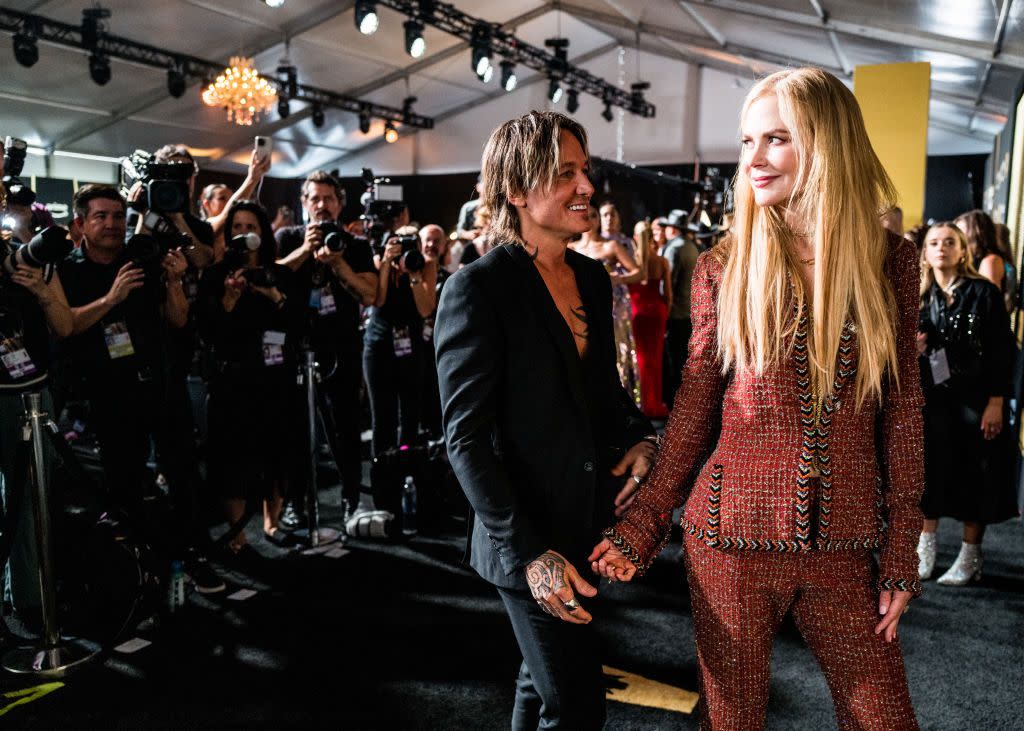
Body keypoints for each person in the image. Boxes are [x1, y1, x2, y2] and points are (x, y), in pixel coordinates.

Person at [589, 68, 923, 729]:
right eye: (747, 141)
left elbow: (905, 408)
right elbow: (694, 406)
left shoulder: (891, 259)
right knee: (733, 720)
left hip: (846, 545)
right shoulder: (724, 265)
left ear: (826, 143)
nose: (755, 159)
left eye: (777, 139)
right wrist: (645, 521)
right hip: (730, 539)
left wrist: (902, 550)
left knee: (885, 719)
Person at [435, 110, 656, 730]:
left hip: (586, 521)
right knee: (579, 706)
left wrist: (638, 441)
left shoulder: (588, 273)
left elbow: (603, 394)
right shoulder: (477, 289)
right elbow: (466, 440)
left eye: (585, 171)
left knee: (540, 685)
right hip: (525, 539)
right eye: (565, 174)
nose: (586, 187)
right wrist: (532, 555)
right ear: (516, 189)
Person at [915, 222, 1017, 585]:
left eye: (949, 242)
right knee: (931, 474)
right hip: (935, 402)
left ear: (963, 251)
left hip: (977, 400)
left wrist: (996, 402)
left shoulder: (983, 293)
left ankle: (970, 556)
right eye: (934, 243)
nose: (941, 248)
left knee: (978, 474)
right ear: (925, 252)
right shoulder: (920, 295)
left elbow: (1002, 353)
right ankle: (924, 551)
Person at [275, 171, 377, 523]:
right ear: (303, 203)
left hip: (342, 347)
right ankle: (295, 502)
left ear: (339, 203)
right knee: (295, 431)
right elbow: (271, 277)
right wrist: (306, 250)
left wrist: (339, 264)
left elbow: (370, 293)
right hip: (295, 347)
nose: (321, 205)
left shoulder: (356, 244)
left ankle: (351, 499)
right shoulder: (287, 237)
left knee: (345, 428)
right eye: (314, 199)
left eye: (328, 199)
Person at [200, 201, 300, 554]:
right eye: (237, 226)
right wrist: (228, 298)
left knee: (276, 455)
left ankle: (272, 522)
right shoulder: (216, 276)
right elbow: (209, 332)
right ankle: (237, 533)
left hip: (275, 381)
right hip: (233, 382)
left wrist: (273, 295)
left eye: (251, 225)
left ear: (263, 231)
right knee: (233, 462)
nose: (245, 232)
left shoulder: (280, 273)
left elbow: (298, 326)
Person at [0, 147, 74, 617]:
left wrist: (43, 290)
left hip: (33, 391)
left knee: (30, 501)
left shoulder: (38, 262)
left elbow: (65, 326)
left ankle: (29, 598)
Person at [364, 224, 437, 455]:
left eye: (410, 244)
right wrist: (386, 263)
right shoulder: (380, 263)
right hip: (379, 345)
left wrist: (414, 274)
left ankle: (408, 468)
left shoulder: (426, 264)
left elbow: (426, 309)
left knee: (410, 414)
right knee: (382, 417)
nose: (405, 250)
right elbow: (379, 300)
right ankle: (383, 472)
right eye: (399, 244)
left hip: (411, 346)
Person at [570, 205, 642, 406]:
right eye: (587, 213)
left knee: (616, 353)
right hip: (579, 308)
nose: (589, 218)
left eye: (594, 215)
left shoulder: (611, 246)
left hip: (613, 307)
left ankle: (619, 404)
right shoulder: (572, 248)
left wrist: (617, 279)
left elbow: (639, 272)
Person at [628, 220, 671, 418]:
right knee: (656, 358)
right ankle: (655, 404)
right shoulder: (662, 262)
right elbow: (668, 295)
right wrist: (666, 313)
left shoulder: (630, 261)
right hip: (657, 312)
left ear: (636, 237)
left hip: (638, 313)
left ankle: (644, 404)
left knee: (641, 359)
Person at [660, 207, 698, 405]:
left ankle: (675, 400)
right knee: (684, 358)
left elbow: (668, 284)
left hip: (676, 313)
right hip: (689, 312)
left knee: (674, 360)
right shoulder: (692, 247)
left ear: (673, 229)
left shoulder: (674, 248)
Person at [418, 224, 452, 439]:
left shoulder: (451, 279)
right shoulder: (406, 274)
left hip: (439, 352)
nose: (431, 245)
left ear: (444, 245)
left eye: (436, 241)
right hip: (412, 351)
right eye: (427, 240)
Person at [955, 209, 1005, 294]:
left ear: (976, 233)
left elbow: (990, 301)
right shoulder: (971, 259)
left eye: (960, 232)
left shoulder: (990, 261)